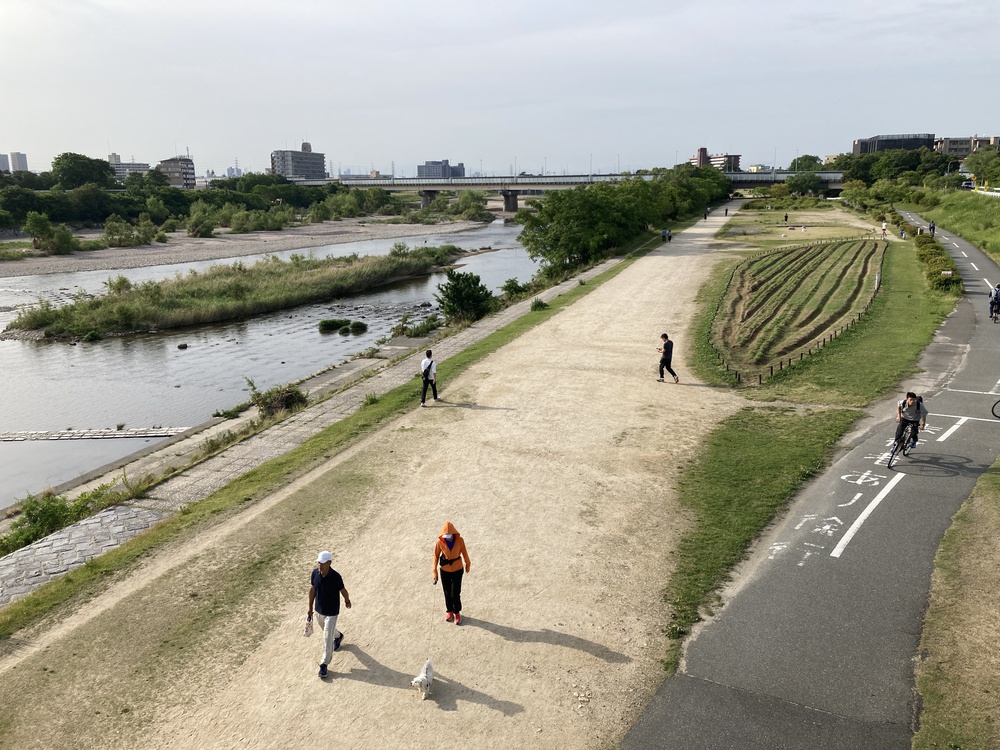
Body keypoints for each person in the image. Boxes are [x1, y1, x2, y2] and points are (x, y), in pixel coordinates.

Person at [308, 550, 352, 678]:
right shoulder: (315, 573)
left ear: (329, 563)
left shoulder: (336, 577)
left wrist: (347, 601)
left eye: (322, 563)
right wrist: (310, 607)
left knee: (327, 638)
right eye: (318, 562)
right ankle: (338, 636)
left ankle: (324, 664)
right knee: (328, 631)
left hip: (332, 612)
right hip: (319, 611)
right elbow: (312, 589)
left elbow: (343, 591)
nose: (319, 565)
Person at [433, 521, 471, 624]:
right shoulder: (439, 542)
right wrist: (435, 574)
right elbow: (435, 557)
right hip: (444, 570)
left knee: (455, 592)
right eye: (446, 536)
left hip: (457, 569)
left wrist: (468, 564)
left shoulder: (460, 540)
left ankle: (456, 612)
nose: (447, 538)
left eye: (449, 536)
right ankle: (449, 610)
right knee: (447, 592)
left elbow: (464, 553)